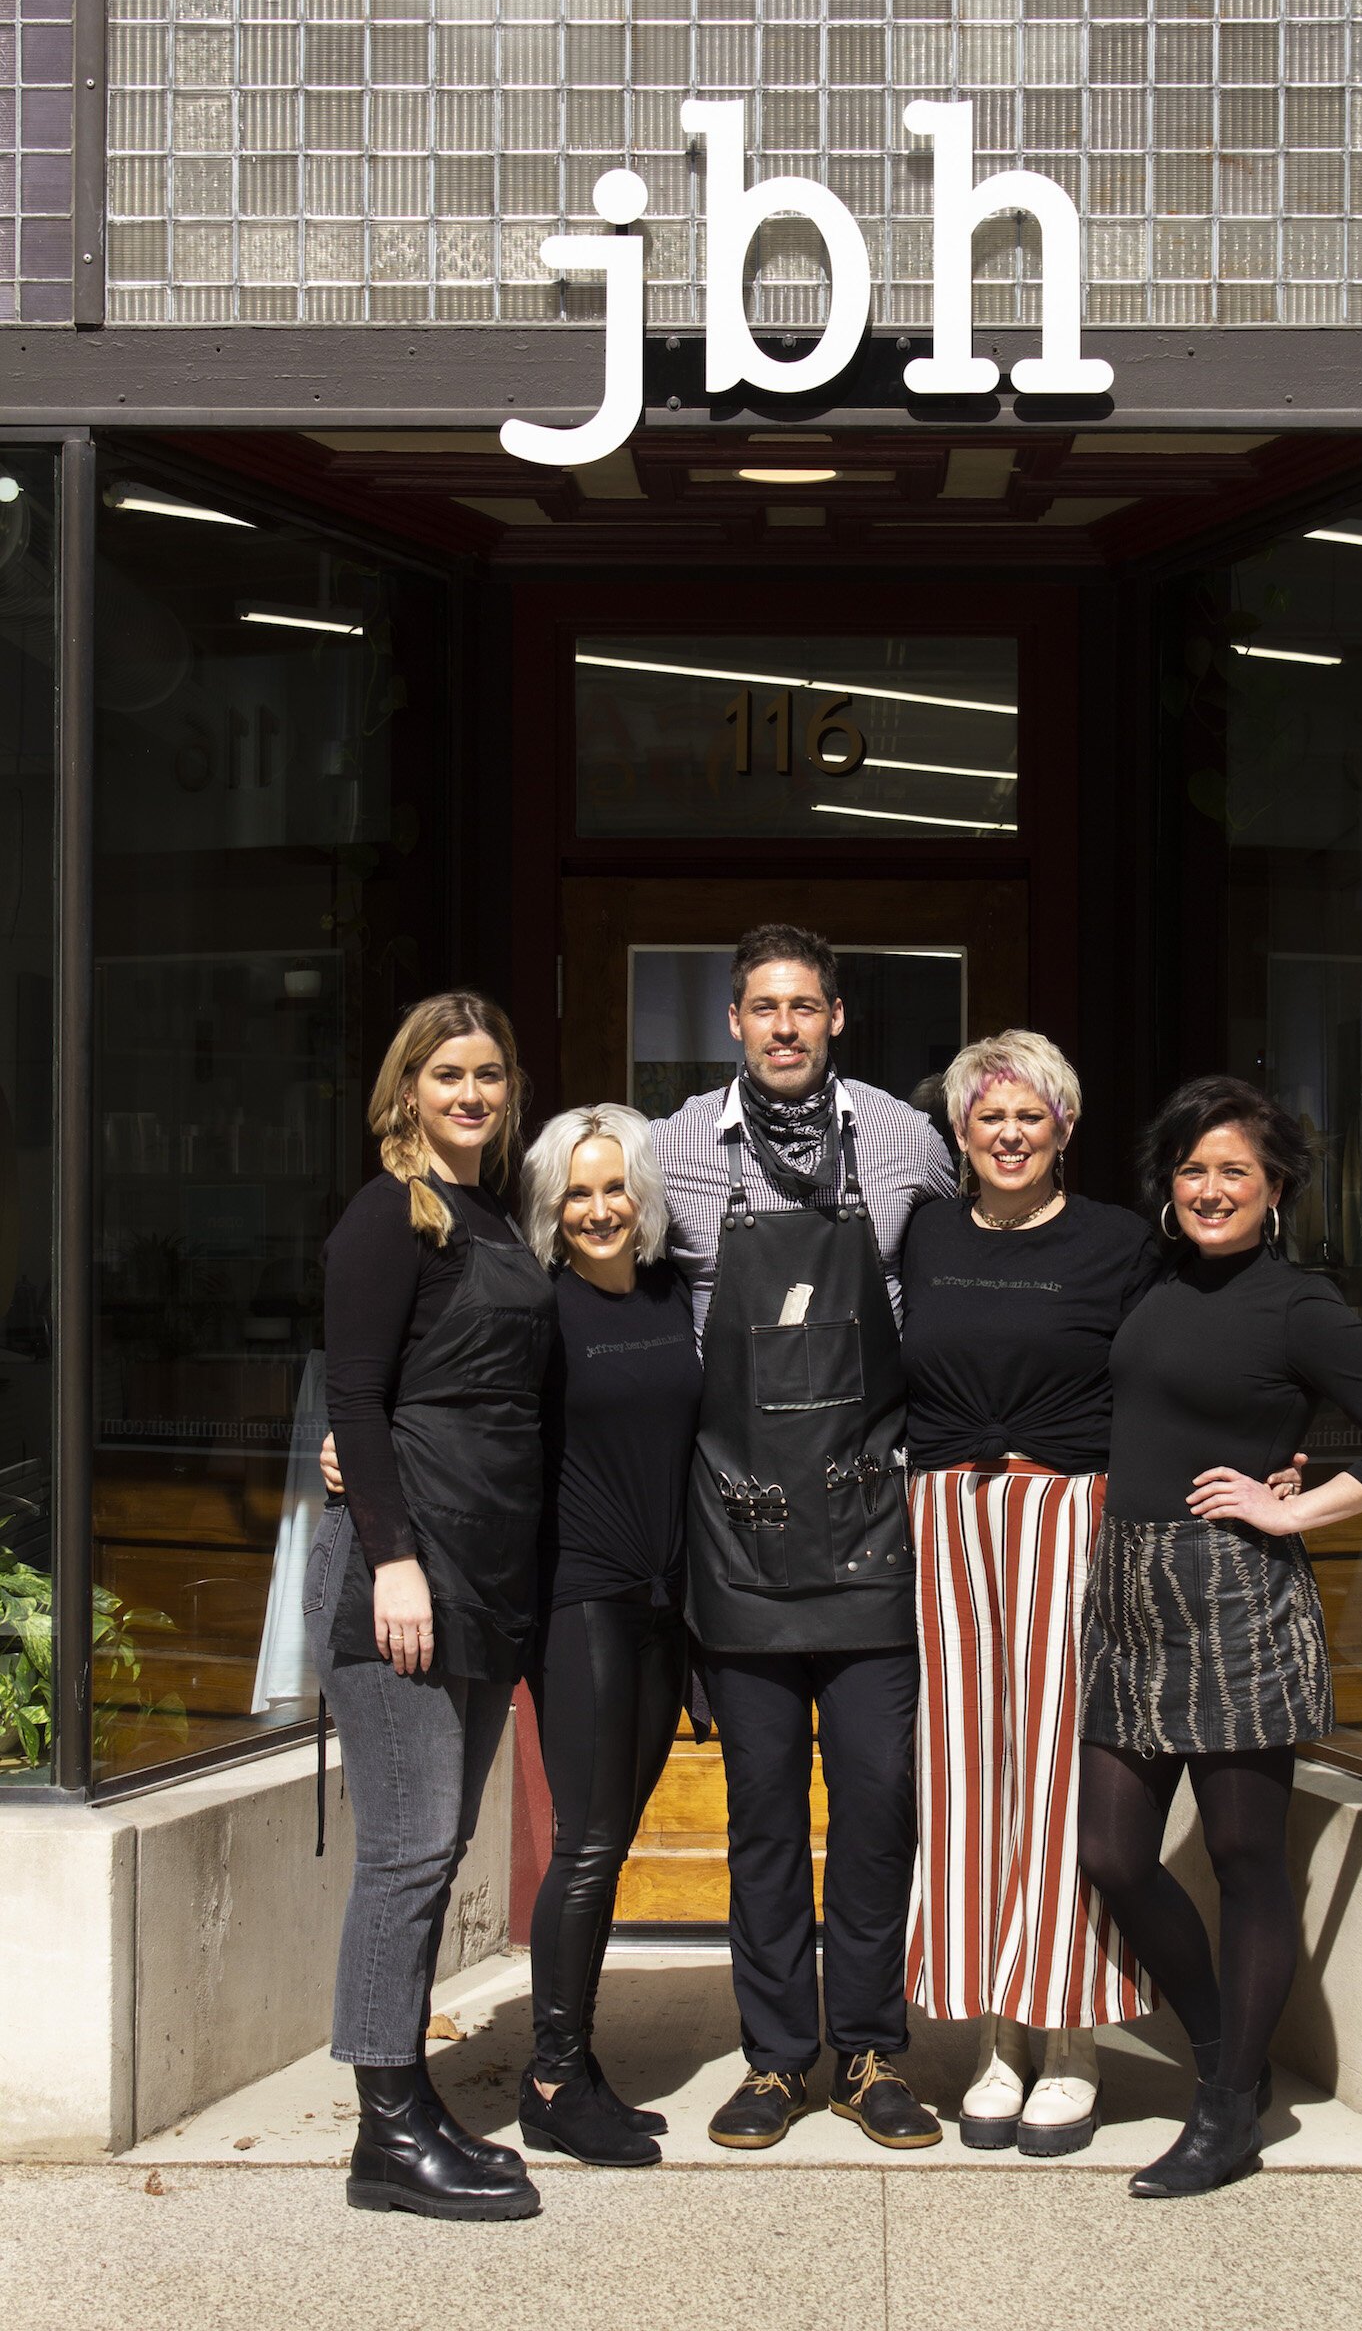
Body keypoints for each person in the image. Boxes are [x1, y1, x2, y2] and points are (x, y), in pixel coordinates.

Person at [1076, 1075, 1362, 2200]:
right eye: (1192, 1170)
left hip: (1235, 1597)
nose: (1210, 1189)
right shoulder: (1152, 1278)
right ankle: (1223, 2056)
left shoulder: (1300, 1305)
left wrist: (1292, 1507)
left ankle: (1228, 2108)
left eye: (1234, 1171)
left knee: (1243, 1860)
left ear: (1275, 1187)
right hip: (1129, 1595)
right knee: (1112, 1857)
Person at [650, 923, 957, 2150]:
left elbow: (966, 1282)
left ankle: (871, 2052)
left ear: (836, 1017)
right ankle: (776, 2060)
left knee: (878, 1801)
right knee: (764, 1815)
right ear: (734, 1021)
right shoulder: (670, 1148)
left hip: (871, 1527)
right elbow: (587, 1288)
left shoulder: (903, 1138)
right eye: (763, 1008)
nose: (784, 1027)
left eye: (804, 1006)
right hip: (739, 1532)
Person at [304, 991, 554, 2221]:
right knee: (406, 1853)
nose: (470, 1093)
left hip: (485, 1574)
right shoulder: (385, 1216)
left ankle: (406, 2110)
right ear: (406, 1088)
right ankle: (389, 2130)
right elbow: (354, 1397)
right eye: (447, 1073)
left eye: (488, 1074)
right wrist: (391, 1557)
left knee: (436, 1847)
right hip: (405, 1578)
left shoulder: (492, 1217)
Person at [900, 1030, 1161, 2155]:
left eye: (1030, 1115)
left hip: (1070, 1517)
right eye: (988, 1117)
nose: (1009, 1135)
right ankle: (994, 2033)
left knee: (1059, 1776)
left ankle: (1071, 2038)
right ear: (960, 1132)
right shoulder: (924, 1232)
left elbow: (1171, 1373)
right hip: (946, 1518)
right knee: (963, 1780)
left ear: (1065, 1126)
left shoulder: (1118, 1242)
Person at [515, 1104, 701, 2169]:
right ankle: (551, 2077)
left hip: (664, 1605)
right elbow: (463, 1411)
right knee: (585, 1845)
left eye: (614, 1187)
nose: (597, 1209)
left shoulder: (675, 1296)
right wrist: (357, 1453)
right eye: (576, 1193)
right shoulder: (541, 1310)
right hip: (580, 1597)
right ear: (552, 1206)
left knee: (612, 1840)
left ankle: (575, 2066)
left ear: (643, 1194)